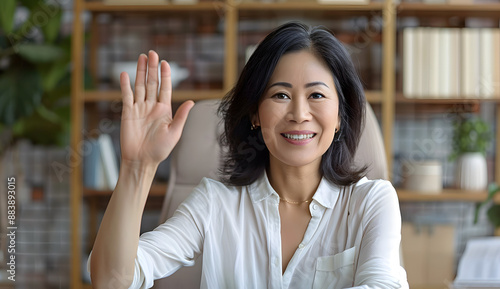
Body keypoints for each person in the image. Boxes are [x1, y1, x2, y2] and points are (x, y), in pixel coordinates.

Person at [89, 22, 408, 289]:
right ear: (255, 114)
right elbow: (112, 280)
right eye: (280, 95)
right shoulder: (214, 204)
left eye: (317, 95)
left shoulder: (372, 201)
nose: (299, 114)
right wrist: (138, 167)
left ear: (340, 115)